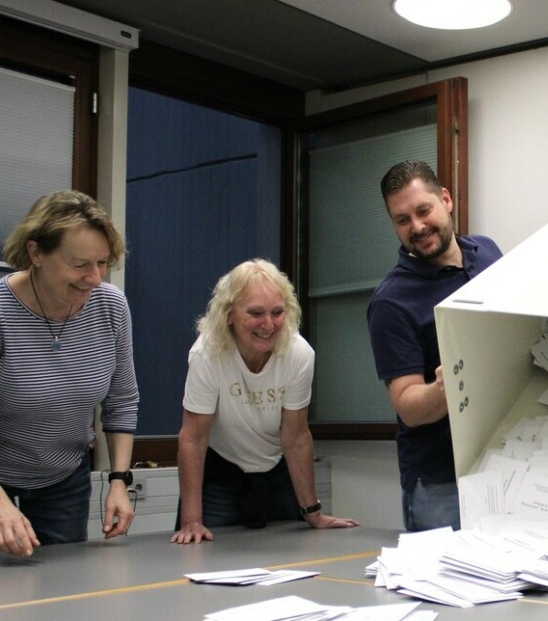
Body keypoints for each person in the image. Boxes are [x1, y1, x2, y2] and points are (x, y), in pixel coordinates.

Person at [171, 259, 358, 544]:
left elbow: (295, 437)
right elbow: (194, 439)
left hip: (277, 470)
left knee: (287, 552)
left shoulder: (299, 355)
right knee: (203, 554)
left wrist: (313, 512)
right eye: (256, 313)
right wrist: (191, 520)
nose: (268, 324)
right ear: (229, 314)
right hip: (220, 469)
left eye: (277, 313)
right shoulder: (207, 354)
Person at [0, 190, 138, 556]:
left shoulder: (110, 307)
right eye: (79, 264)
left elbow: (121, 401)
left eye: (103, 263)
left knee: (60, 587)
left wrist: (120, 481)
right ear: (35, 254)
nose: (93, 278)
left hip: (63, 480)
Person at [367, 160, 502, 532]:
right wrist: (447, 388)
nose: (417, 227)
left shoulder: (488, 252)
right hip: (442, 482)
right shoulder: (391, 302)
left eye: (423, 210)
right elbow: (408, 405)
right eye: (402, 220)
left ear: (446, 199)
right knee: (442, 588)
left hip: (507, 463)